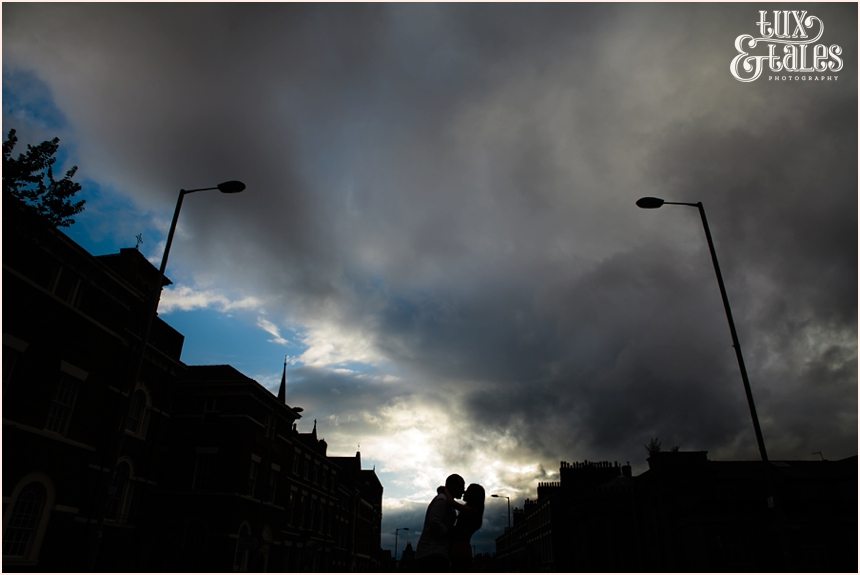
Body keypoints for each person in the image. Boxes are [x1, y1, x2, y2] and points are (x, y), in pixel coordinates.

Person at [415, 474, 465, 571]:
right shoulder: (442, 500)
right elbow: (434, 522)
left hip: (434, 554)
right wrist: (450, 532)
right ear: (454, 486)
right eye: (461, 486)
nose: (463, 490)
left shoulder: (445, 500)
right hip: (431, 555)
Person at [449, 484, 485, 571]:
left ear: (473, 495)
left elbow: (452, 503)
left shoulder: (471, 511)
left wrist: (445, 491)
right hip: (462, 550)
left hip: (460, 552)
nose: (464, 492)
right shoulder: (473, 511)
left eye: (467, 490)